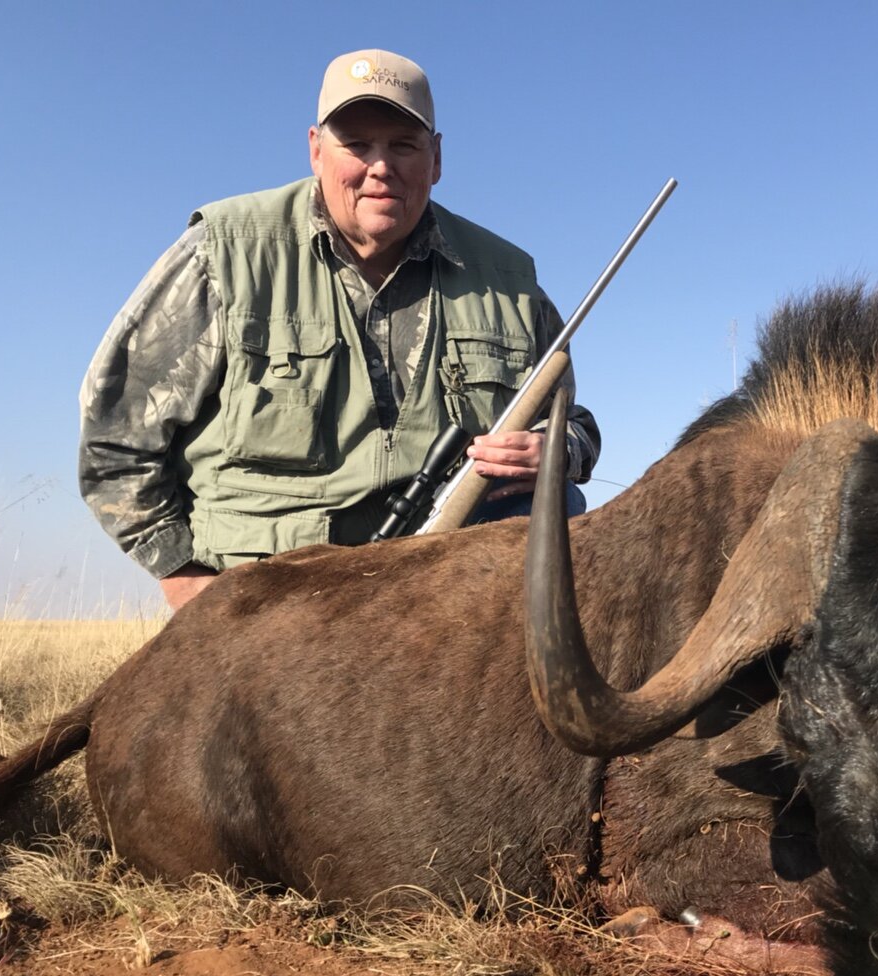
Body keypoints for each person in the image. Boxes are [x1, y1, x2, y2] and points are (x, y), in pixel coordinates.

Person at [80, 49, 599, 611]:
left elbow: (578, 427)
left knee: (562, 506)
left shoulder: (509, 280)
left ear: (437, 157)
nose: (381, 167)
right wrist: (185, 579)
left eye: (403, 145)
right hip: (272, 607)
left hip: (451, 608)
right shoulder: (223, 253)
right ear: (315, 150)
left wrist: (556, 450)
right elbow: (115, 439)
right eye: (357, 144)